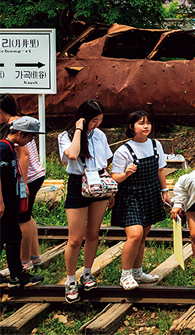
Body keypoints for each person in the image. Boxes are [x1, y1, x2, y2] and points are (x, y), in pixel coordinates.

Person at [58, 99, 114, 303]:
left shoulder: (100, 135)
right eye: (93, 120)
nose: (97, 124)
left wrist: (111, 192)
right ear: (83, 118)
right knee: (75, 237)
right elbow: (72, 155)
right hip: (77, 184)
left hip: (100, 182)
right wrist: (80, 130)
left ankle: (87, 272)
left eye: (100, 120)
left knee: (93, 233)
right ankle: (70, 279)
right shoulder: (66, 136)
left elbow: (105, 163)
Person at [109, 111, 169, 290]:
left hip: (150, 193)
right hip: (130, 196)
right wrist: (126, 173)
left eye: (148, 123)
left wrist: (165, 191)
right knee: (134, 235)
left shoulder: (156, 144)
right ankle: (125, 274)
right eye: (141, 123)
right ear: (130, 127)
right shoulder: (123, 150)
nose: (146, 126)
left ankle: (137, 272)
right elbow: (114, 178)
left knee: (143, 236)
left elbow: (160, 170)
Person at [0, 95, 45, 272]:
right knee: (26, 217)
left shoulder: (17, 126)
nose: (31, 140)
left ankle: (24, 260)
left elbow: (24, 156)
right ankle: (34, 256)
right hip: (33, 175)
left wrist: (23, 182)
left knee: (22, 219)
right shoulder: (20, 125)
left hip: (27, 177)